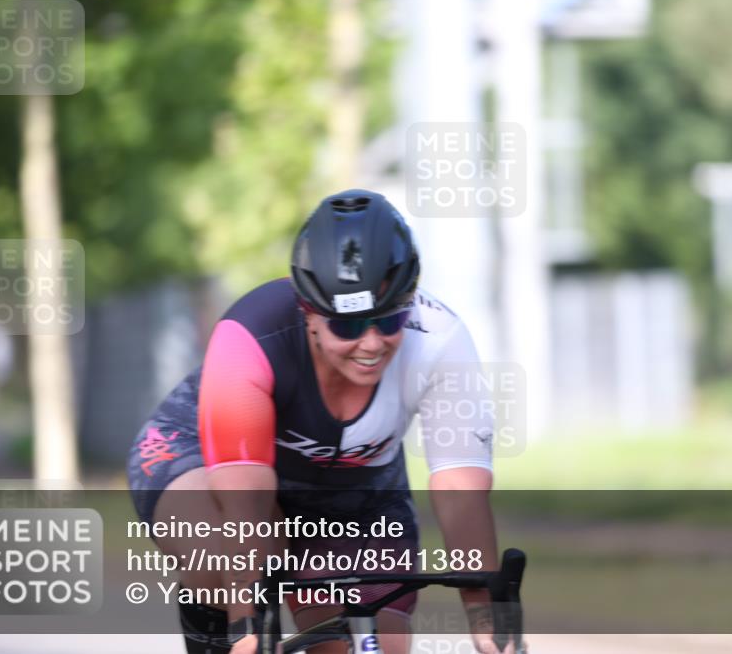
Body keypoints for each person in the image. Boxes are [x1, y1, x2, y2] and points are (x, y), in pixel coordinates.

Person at [127, 189, 505, 654]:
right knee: (225, 565)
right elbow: (244, 507)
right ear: (310, 314)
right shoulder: (251, 335)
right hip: (207, 459)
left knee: (371, 641)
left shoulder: (440, 340)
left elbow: (461, 495)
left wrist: (488, 622)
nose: (371, 344)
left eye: (388, 321)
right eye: (348, 326)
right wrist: (246, 622)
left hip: (349, 484)